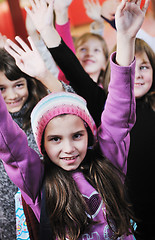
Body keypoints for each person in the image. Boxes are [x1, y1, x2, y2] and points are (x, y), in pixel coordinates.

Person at [0, 47, 48, 239]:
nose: (12, 96)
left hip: (41, 221)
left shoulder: (43, 118)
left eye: (18, 85)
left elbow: (71, 102)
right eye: (1, 88)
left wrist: (44, 74)